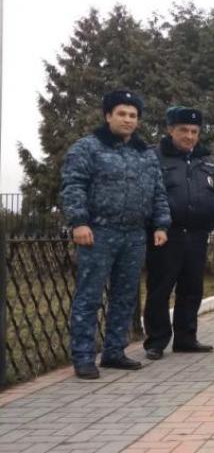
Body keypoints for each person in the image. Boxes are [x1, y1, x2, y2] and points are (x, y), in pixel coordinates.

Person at [61, 89, 171, 379]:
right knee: (90, 296)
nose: (127, 120)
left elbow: (157, 191)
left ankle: (113, 352)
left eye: (133, 115)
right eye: (121, 114)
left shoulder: (144, 153)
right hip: (98, 231)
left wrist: (161, 224)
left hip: (134, 234)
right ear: (108, 115)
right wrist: (79, 222)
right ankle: (83, 356)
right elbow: (73, 185)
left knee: (125, 296)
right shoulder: (88, 148)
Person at [143, 106, 214, 360]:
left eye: (194, 131)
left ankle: (186, 337)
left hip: (197, 234)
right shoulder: (154, 157)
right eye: (183, 130)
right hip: (166, 234)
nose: (189, 136)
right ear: (170, 130)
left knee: (192, 288)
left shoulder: (208, 160)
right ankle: (156, 341)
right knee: (161, 287)